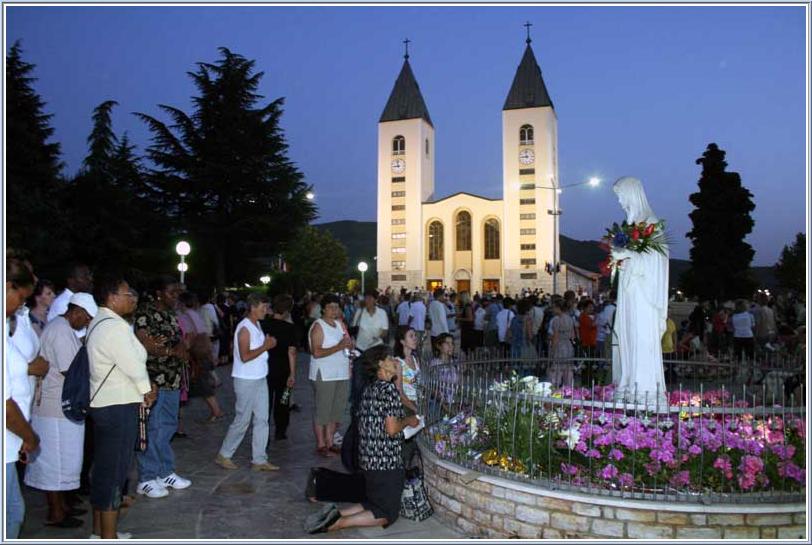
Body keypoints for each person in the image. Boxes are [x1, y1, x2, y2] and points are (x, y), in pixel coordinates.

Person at [304, 345, 419, 534]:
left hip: (368, 458)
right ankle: (337, 524)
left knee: (372, 501)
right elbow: (391, 429)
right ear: (381, 364)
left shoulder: (369, 389)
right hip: (386, 461)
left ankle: (335, 513)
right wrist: (409, 421)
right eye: (390, 358)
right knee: (387, 512)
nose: (395, 362)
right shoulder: (388, 390)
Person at [87, 275, 155, 539]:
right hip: (117, 406)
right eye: (129, 294)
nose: (133, 299)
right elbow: (133, 365)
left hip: (107, 404)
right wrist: (147, 390)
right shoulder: (114, 327)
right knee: (114, 472)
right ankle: (108, 536)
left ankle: (100, 531)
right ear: (112, 298)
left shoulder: (101, 322)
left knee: (105, 468)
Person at [25, 293, 97, 528]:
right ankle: (56, 512)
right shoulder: (61, 330)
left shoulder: (63, 328)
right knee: (54, 464)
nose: (85, 323)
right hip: (55, 408)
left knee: (65, 461)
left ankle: (63, 506)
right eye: (85, 318)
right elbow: (72, 372)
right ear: (76, 312)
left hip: (60, 407)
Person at [610, 177, 668, 404]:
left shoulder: (651, 222)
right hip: (630, 293)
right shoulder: (632, 227)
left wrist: (628, 255)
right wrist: (619, 260)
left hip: (644, 295)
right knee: (628, 335)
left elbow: (657, 260)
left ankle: (644, 388)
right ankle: (628, 382)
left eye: (622, 197)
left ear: (633, 194)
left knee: (640, 336)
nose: (621, 202)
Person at [133, 277, 192, 498]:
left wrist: (177, 348)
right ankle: (147, 477)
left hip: (173, 378)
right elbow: (145, 344)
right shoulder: (145, 313)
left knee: (168, 425)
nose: (175, 296)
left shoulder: (171, 314)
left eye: (177, 293)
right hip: (153, 380)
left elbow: (176, 341)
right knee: (152, 428)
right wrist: (171, 351)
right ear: (158, 293)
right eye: (171, 292)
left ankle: (164, 471)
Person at [216, 293, 280, 471]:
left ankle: (259, 459)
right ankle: (224, 454)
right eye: (263, 308)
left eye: (266, 308)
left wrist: (265, 345)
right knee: (242, 419)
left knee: (262, 419)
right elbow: (245, 356)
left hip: (259, 378)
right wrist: (266, 346)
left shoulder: (256, 324)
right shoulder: (244, 328)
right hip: (246, 379)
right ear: (252, 307)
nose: (266, 311)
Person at [5, 257, 39, 539]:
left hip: (9, 443)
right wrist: (29, 436)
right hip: (8, 436)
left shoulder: (6, 326)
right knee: (12, 513)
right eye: (19, 296)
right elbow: (4, 405)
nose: (19, 304)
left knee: (14, 511)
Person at [308, 294, 352, 458]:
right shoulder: (318, 326)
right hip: (325, 374)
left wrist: (348, 348)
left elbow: (346, 343)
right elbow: (316, 351)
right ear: (323, 309)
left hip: (341, 372)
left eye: (336, 307)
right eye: (331, 307)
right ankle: (321, 444)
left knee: (337, 410)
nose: (334, 310)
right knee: (323, 410)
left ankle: (330, 440)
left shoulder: (340, 324)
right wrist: (339, 346)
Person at [262, 294, 297, 441]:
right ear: (288, 310)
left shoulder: (263, 324)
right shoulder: (290, 328)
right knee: (283, 400)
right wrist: (292, 374)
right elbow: (292, 352)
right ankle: (280, 430)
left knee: (265, 401)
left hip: (265, 369)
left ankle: (263, 429)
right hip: (283, 370)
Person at [548, 299, 575, 388]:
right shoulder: (570, 319)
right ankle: (568, 390)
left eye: (554, 307)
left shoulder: (556, 321)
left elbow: (555, 338)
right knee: (568, 370)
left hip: (559, 346)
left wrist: (552, 351)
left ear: (558, 308)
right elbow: (572, 335)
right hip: (568, 346)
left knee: (557, 371)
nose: (552, 309)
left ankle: (555, 389)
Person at [661, 316, 678, 386]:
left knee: (671, 366)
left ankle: (671, 380)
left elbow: (674, 334)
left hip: (670, 348)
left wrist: (675, 345)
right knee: (663, 367)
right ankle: (664, 380)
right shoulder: (660, 321)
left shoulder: (671, 322)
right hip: (662, 349)